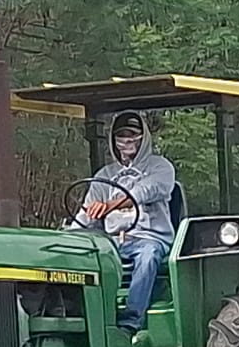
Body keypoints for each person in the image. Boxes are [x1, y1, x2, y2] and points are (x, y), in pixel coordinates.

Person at [66, 110, 176, 334]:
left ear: (143, 137)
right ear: (113, 140)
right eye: (121, 135)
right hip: (112, 242)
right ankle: (82, 317)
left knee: (147, 257)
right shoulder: (104, 176)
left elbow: (143, 192)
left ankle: (130, 322)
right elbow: (86, 216)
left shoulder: (160, 167)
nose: (126, 140)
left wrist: (109, 206)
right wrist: (70, 237)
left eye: (132, 134)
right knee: (79, 253)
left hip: (149, 237)